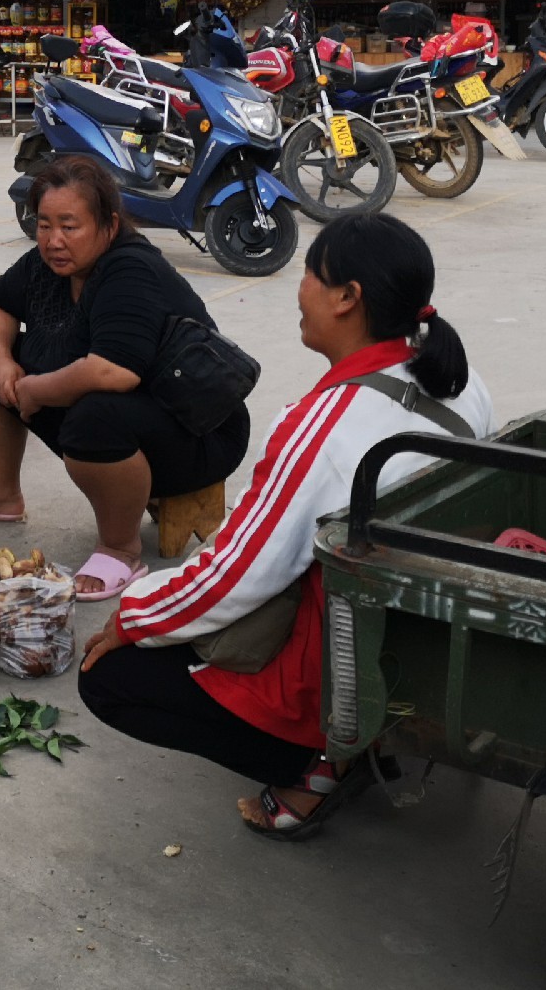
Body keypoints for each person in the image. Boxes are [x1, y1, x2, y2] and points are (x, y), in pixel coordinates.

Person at [77, 211, 494, 840]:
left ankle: (318, 762)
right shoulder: (460, 382)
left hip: (345, 664)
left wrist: (134, 614)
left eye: (309, 274)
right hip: (421, 639)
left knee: (110, 677)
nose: (298, 289)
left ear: (348, 298)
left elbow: (236, 575)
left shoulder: (327, 428)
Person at [0, 157, 251, 601]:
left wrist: (32, 388)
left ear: (107, 225)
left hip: (199, 431)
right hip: (140, 413)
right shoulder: (48, 265)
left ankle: (121, 547)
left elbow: (114, 370)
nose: (54, 240)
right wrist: (2, 364)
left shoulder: (129, 270)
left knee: (95, 417)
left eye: (70, 226)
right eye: (44, 225)